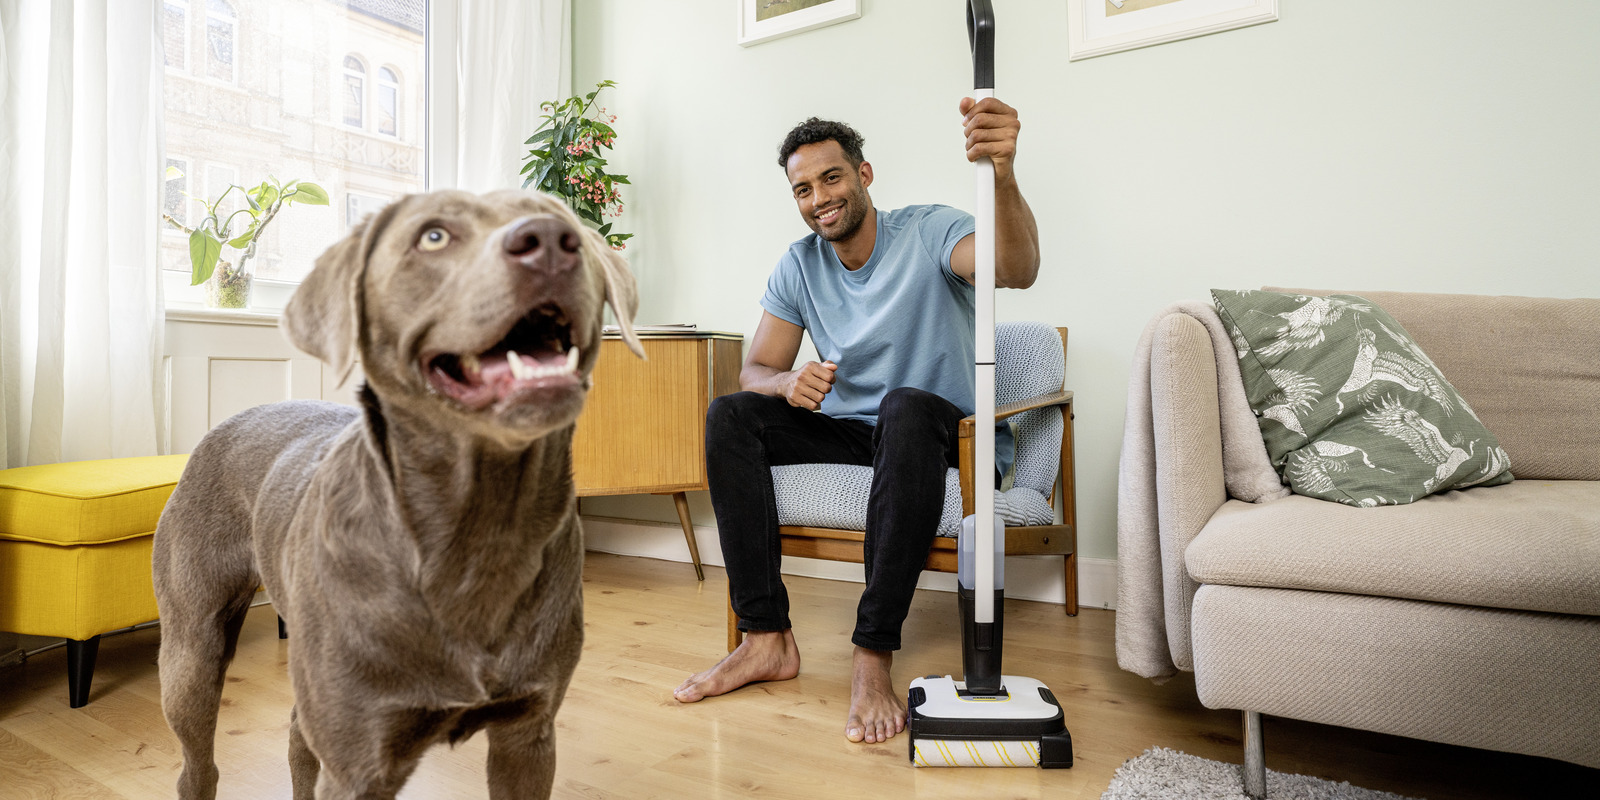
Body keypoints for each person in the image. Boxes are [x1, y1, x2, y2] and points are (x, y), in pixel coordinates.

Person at [673, 97, 1040, 745]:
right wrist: (787, 381)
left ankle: (872, 654)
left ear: (864, 176)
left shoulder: (929, 231)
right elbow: (755, 369)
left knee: (902, 403)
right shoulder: (798, 265)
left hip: (946, 432)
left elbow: (1017, 268)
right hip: (855, 433)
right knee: (731, 415)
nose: (820, 198)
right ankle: (765, 639)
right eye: (803, 189)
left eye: (832, 178)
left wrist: (1003, 172)